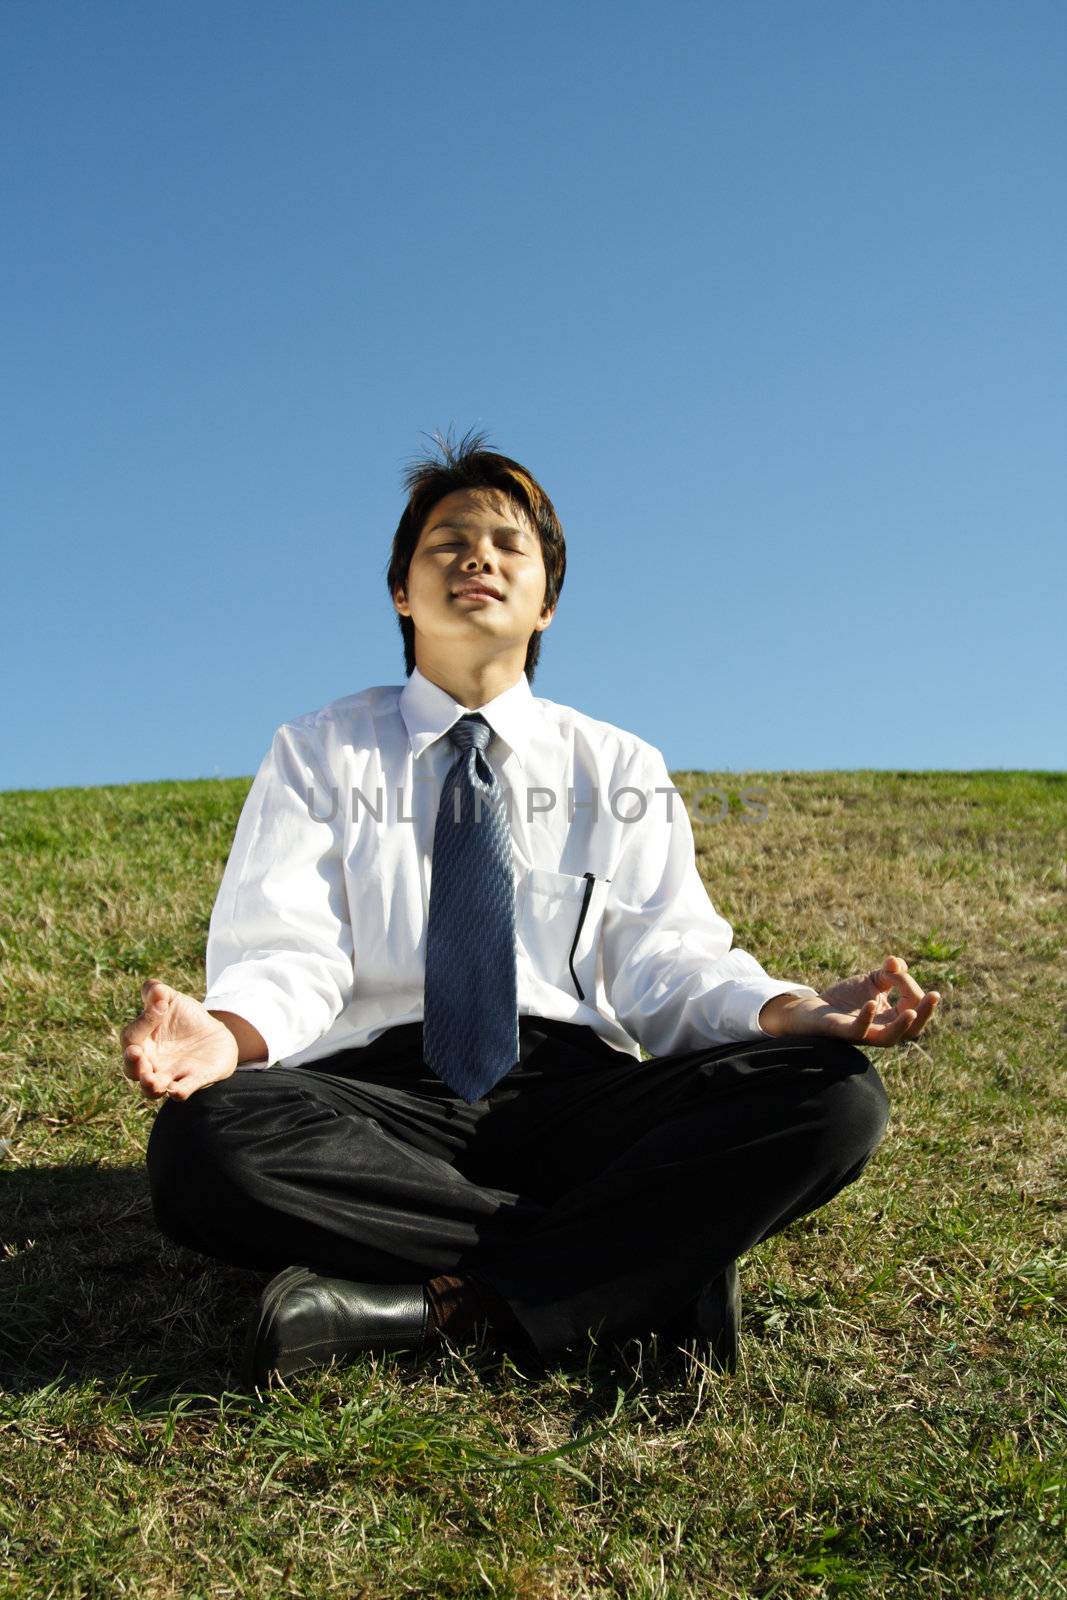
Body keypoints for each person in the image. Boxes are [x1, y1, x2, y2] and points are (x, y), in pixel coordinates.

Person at [121, 428, 939, 1389]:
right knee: (203, 1146)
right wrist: (230, 1033)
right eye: (446, 542)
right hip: (381, 1103)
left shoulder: (617, 766)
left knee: (830, 1096)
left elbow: (660, 957)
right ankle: (644, 1273)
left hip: (576, 1094)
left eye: (511, 545)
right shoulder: (317, 750)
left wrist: (790, 1012)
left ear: (546, 602)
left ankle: (436, 1307)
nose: (478, 556)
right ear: (400, 591)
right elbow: (295, 948)